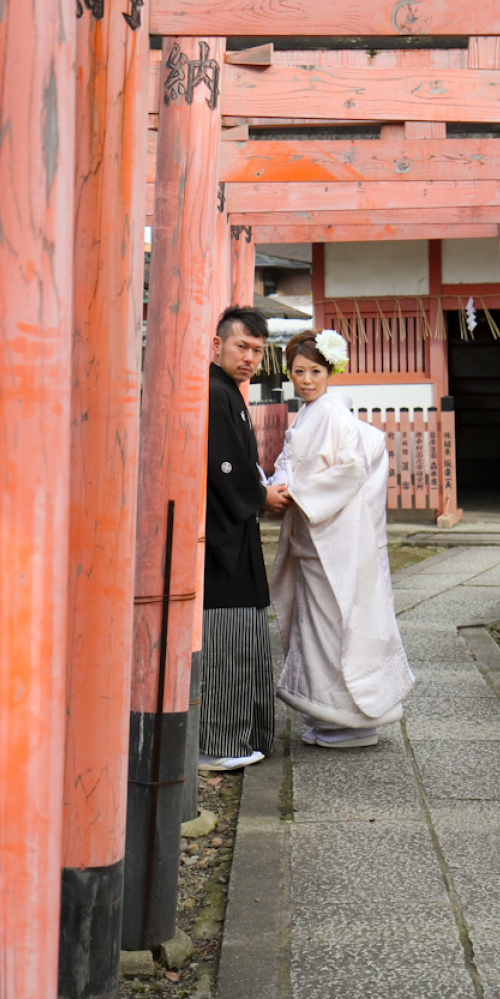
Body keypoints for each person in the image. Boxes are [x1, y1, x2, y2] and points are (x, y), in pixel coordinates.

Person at [269, 328, 415, 748]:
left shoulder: (332, 412)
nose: (307, 380)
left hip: (330, 537)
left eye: (315, 370)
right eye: (299, 371)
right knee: (323, 628)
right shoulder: (313, 413)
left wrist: (297, 493)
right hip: (317, 537)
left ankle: (349, 718)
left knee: (334, 629)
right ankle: (337, 717)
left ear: (330, 371)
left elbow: (349, 470)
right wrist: (283, 484)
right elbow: (289, 463)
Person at [197, 306, 290, 771]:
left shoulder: (228, 392)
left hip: (235, 532)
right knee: (225, 640)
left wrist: (258, 493)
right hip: (219, 539)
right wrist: (261, 497)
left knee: (244, 636)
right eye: (242, 347)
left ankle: (243, 733)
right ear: (217, 346)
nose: (250, 357)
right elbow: (225, 469)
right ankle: (218, 742)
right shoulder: (213, 392)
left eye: (257, 350)